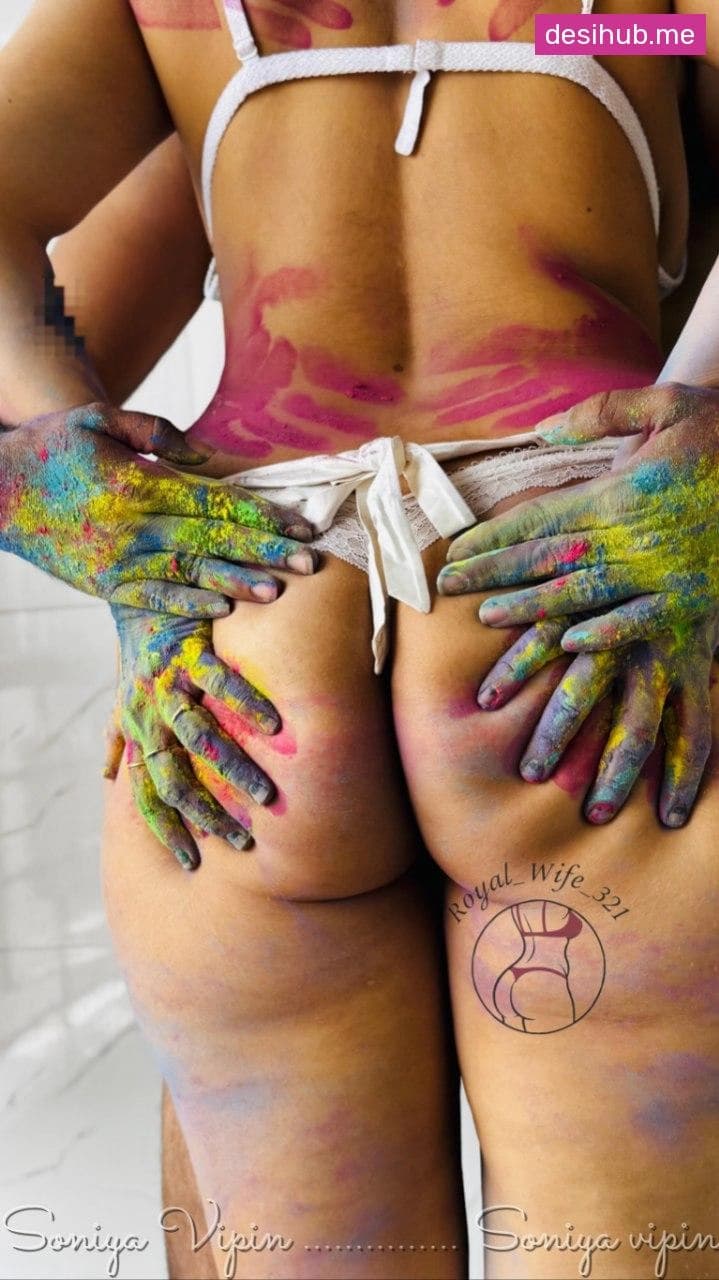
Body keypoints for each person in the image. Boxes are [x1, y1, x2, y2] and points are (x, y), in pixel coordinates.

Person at [1, 1, 719, 1276]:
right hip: (568, 603)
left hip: (251, 626)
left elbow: (50, 337)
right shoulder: (636, 22)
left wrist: (59, 480)